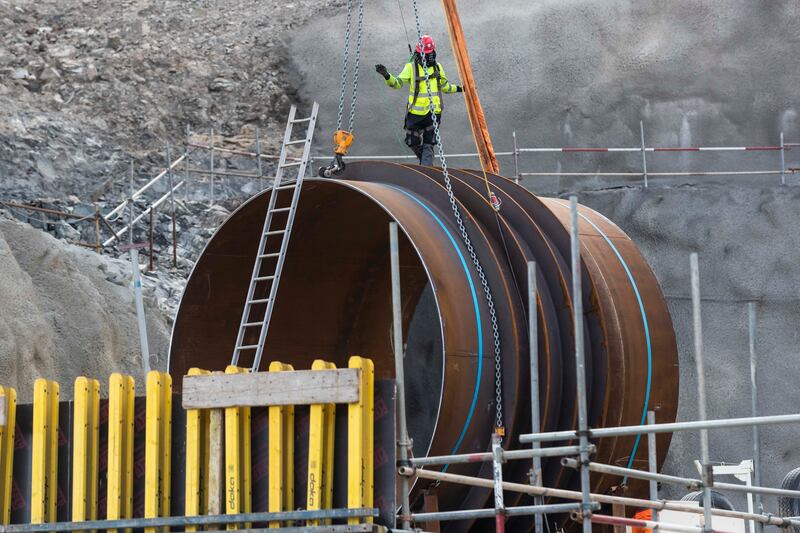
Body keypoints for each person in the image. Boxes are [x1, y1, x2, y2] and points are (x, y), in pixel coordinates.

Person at [375, 35, 463, 166]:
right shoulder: (411, 67)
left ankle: (426, 170)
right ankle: (426, 165)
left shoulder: (437, 68)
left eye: (429, 54)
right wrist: (387, 76)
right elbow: (397, 83)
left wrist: (461, 89)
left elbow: (445, 87)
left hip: (433, 114)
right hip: (415, 115)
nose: (428, 57)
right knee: (411, 141)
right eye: (425, 54)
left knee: (429, 144)